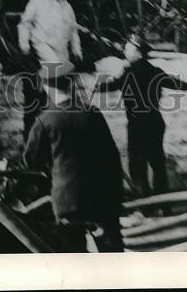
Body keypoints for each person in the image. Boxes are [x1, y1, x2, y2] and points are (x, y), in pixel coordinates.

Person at [24, 66, 124, 252]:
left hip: (67, 201)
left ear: (47, 88)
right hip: (100, 196)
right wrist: (117, 194)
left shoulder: (44, 120)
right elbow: (111, 156)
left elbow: (31, 161)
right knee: (111, 253)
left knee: (72, 253)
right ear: (70, 85)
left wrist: (51, 166)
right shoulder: (91, 113)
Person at [95, 33, 187, 195]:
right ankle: (163, 201)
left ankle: (143, 200)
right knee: (157, 162)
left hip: (137, 123)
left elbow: (113, 85)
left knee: (137, 162)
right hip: (155, 121)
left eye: (129, 49)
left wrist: (96, 87)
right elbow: (174, 82)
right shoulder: (154, 71)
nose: (125, 52)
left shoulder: (129, 72)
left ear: (138, 52)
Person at [18, 0, 83, 70]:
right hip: (43, 45)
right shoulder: (36, 2)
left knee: (63, 73)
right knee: (54, 68)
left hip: (61, 48)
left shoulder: (67, 7)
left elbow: (73, 29)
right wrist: (24, 45)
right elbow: (24, 24)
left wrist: (76, 48)